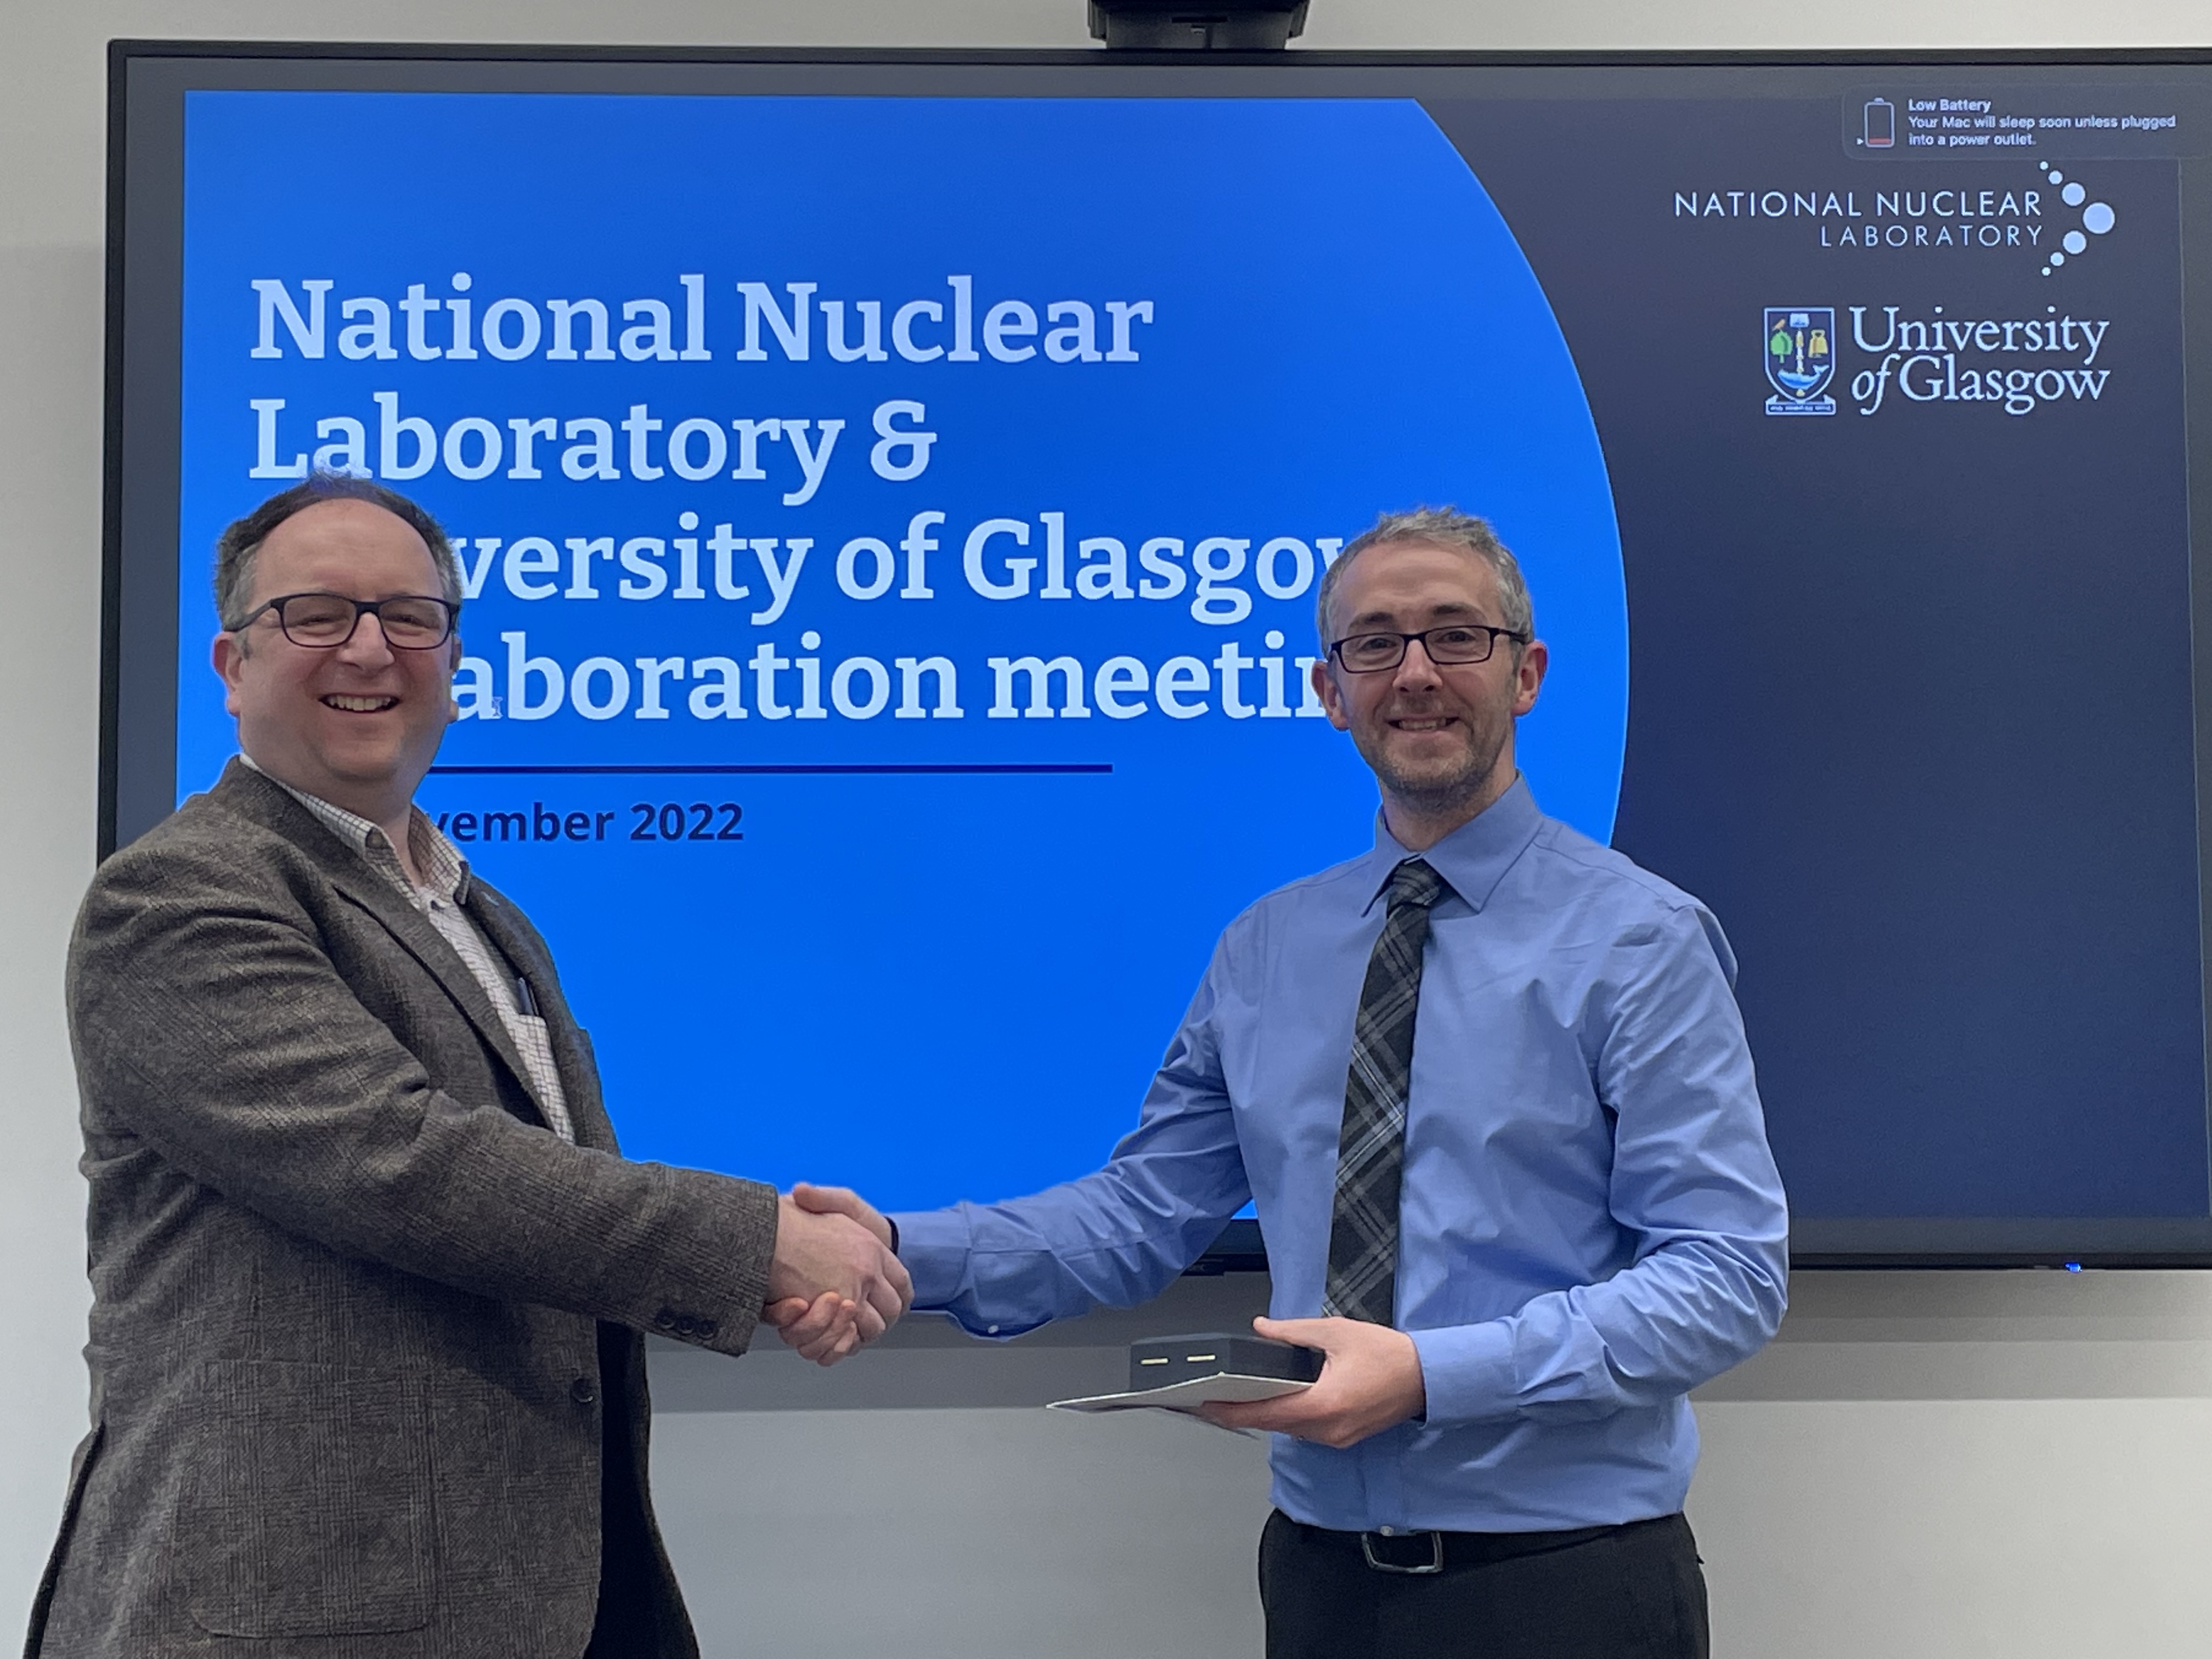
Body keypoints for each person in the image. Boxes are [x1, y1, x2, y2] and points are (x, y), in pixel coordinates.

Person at [778, 507, 1790, 1658]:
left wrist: (1425, 1376)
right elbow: (1139, 1214)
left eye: (1455, 636)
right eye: (1375, 643)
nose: (1414, 673)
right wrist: (897, 1249)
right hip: (1320, 1583)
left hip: (1565, 1590)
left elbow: (1725, 1276)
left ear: (1527, 674)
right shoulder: (1267, 949)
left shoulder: (1641, 941)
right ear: (1329, 689)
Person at [27, 473, 907, 1659]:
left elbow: (539, 1198)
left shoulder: (481, 915)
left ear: (453, 658)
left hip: (534, 1590)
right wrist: (759, 1244)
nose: (373, 647)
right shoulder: (186, 891)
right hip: (290, 1607)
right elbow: (398, 1163)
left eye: (411, 615)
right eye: (317, 613)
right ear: (232, 666)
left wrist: (790, 1253)